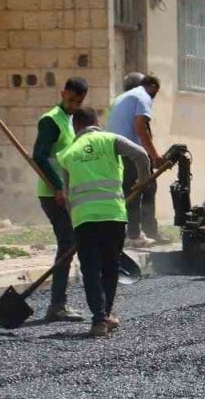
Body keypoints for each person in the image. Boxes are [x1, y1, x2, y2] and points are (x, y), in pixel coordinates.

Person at [56, 107, 151, 338]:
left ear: (76, 126)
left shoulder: (67, 154)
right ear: (95, 122)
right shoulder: (110, 139)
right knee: (109, 266)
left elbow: (68, 196)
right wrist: (143, 181)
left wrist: (75, 223)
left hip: (84, 220)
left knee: (90, 269)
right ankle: (107, 312)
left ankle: (99, 320)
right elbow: (141, 154)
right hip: (113, 216)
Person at [30, 76, 89, 322]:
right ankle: (57, 305)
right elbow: (40, 157)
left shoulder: (69, 118)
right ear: (62, 93)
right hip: (53, 195)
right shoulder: (51, 121)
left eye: (79, 102)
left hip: (65, 193)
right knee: (67, 244)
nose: (74, 105)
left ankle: (58, 303)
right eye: (71, 99)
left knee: (69, 244)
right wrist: (57, 187)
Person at [106, 74, 164, 246]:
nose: (155, 96)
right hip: (128, 150)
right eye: (156, 91)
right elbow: (140, 128)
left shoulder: (122, 98)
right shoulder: (143, 96)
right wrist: (155, 155)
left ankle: (132, 232)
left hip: (113, 149)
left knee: (129, 190)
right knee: (143, 186)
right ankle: (136, 234)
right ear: (152, 85)